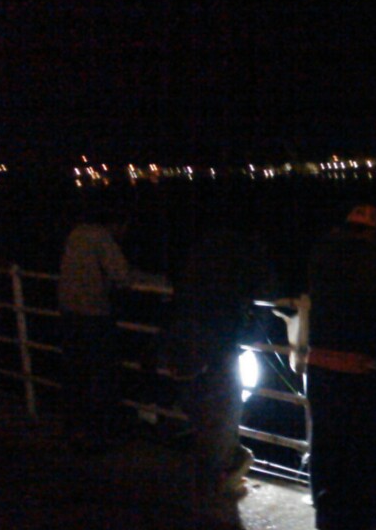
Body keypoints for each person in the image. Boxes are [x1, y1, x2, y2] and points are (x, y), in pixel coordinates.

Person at [306, 204, 376, 530]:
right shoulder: (364, 259)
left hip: (317, 363)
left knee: (325, 445)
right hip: (350, 369)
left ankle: (326, 522)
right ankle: (354, 527)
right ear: (373, 233)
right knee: (357, 450)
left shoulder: (321, 254)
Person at [165, 225, 278, 497]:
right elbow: (262, 291)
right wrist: (251, 337)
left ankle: (208, 476)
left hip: (187, 339)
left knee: (201, 412)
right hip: (219, 344)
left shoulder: (199, 250)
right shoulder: (245, 254)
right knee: (224, 411)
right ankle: (215, 482)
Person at [58, 203, 167, 451]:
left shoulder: (77, 233)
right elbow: (122, 275)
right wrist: (157, 281)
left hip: (68, 312)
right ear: (119, 224)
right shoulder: (102, 238)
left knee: (76, 373)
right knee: (101, 374)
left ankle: (76, 429)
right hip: (93, 315)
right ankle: (98, 433)